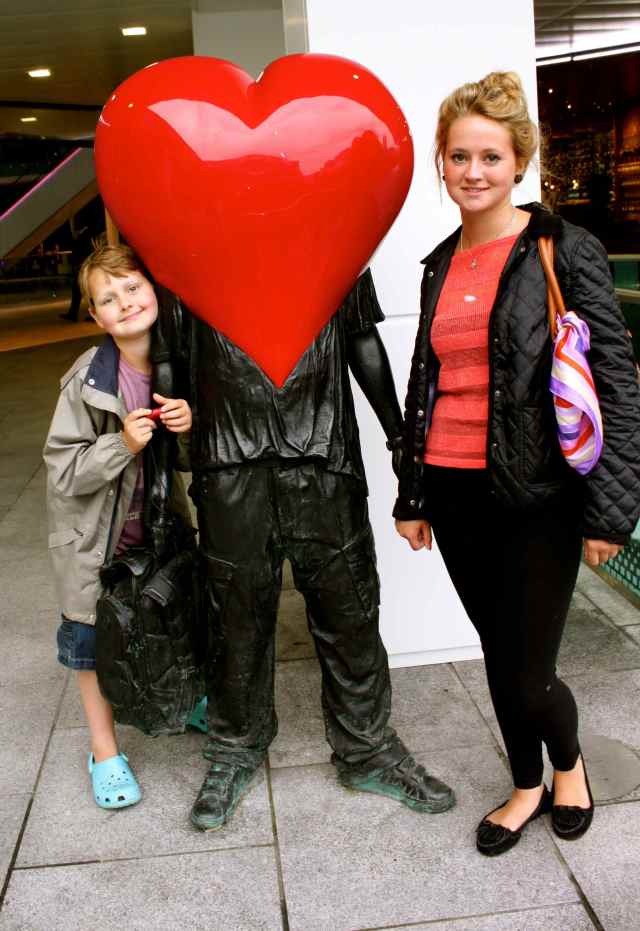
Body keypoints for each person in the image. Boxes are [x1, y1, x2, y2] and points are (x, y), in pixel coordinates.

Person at [394, 71, 640, 857]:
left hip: (540, 494)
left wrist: (610, 512)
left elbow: (616, 383)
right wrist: (412, 492)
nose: (473, 172)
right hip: (454, 489)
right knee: (500, 653)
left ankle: (569, 765)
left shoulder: (564, 248)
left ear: (519, 162)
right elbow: (425, 382)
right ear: (442, 160)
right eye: (459, 156)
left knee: (532, 669)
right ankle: (526, 783)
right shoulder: (440, 262)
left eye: (490, 157)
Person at [156, 268, 455, 831]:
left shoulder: (332, 231)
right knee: (235, 618)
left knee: (350, 609)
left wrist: (398, 435)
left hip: (324, 453)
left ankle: (367, 748)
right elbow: (169, 354)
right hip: (228, 462)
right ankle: (235, 746)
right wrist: (177, 447)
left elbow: (360, 336)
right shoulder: (188, 244)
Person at [43, 242, 197, 810]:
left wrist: (189, 427)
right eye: (109, 298)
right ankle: (104, 751)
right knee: (91, 643)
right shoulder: (88, 379)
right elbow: (64, 470)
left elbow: (194, 462)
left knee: (169, 616)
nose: (125, 302)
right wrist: (121, 445)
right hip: (93, 541)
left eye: (132, 287)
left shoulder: (177, 365)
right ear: (96, 316)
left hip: (157, 528)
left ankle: (184, 698)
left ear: (154, 290)